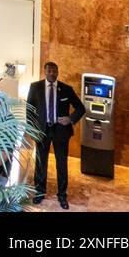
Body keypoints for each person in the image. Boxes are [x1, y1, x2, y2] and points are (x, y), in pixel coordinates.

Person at [26, 61, 86, 209]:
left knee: (61, 164)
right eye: (49, 71)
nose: (52, 74)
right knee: (41, 163)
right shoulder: (35, 87)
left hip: (61, 132)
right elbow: (29, 110)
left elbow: (81, 107)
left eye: (55, 71)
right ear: (45, 72)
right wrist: (32, 129)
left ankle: (62, 196)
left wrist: (70, 119)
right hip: (42, 130)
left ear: (58, 72)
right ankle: (39, 193)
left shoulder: (66, 89)